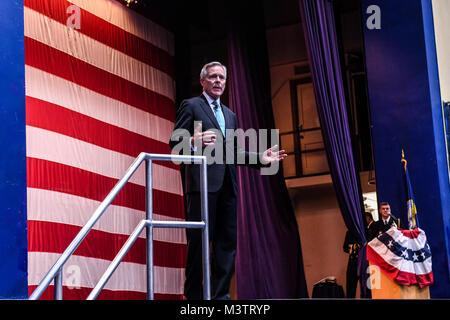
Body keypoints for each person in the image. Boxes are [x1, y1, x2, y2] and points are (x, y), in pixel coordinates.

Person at [169, 61, 287, 300]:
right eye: (212, 77)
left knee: (226, 245)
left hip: (228, 187)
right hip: (202, 188)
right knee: (199, 245)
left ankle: (220, 297)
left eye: (222, 78)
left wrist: (261, 159)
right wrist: (193, 141)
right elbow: (174, 145)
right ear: (203, 81)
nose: (218, 81)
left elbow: (231, 153)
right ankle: (193, 298)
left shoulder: (230, 115)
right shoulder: (191, 106)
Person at [342, 230, 360, 298]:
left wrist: (354, 247)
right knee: (350, 288)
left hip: (363, 262)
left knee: (365, 288)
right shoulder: (350, 232)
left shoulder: (365, 230)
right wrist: (354, 247)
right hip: (352, 262)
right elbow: (345, 247)